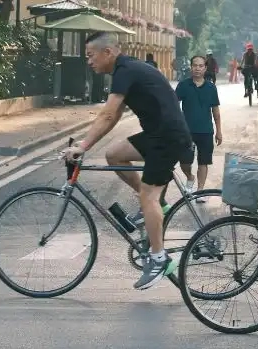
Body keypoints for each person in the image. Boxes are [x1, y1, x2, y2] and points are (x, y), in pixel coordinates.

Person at [62, 32, 193, 290]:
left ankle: (159, 259)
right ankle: (160, 206)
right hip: (158, 135)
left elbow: (108, 115)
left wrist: (83, 146)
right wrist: (86, 144)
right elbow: (113, 116)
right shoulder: (127, 70)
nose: (88, 61)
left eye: (90, 55)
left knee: (148, 197)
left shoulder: (125, 71)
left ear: (108, 52)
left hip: (166, 138)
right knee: (114, 154)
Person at [175, 55, 223, 197]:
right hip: (186, 131)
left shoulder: (211, 87)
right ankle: (190, 177)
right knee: (184, 161)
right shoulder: (183, 85)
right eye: (195, 65)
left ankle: (200, 191)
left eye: (201, 66)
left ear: (205, 68)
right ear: (191, 67)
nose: (197, 68)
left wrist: (219, 131)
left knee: (203, 161)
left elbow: (216, 111)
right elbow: (174, 106)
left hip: (206, 130)